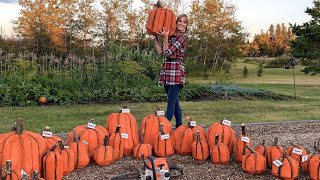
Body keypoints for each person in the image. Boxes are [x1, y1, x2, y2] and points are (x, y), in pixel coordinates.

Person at [154, 14, 188, 129]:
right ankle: (179, 127)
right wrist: (156, 37)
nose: (181, 23)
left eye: (184, 22)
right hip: (167, 70)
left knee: (170, 103)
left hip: (176, 71)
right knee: (175, 102)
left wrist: (166, 38)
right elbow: (161, 52)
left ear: (186, 25)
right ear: (176, 22)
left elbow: (168, 53)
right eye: (180, 21)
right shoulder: (173, 36)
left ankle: (164, 128)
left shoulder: (181, 38)